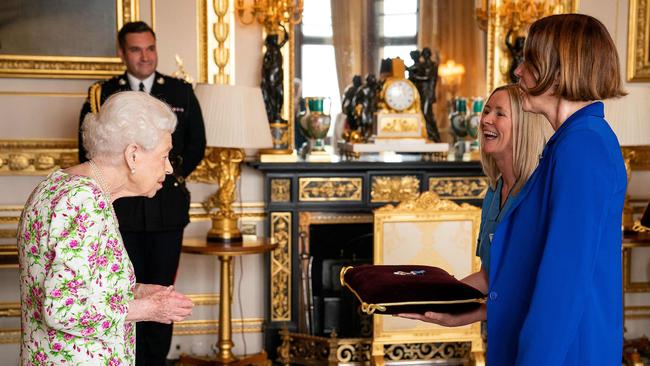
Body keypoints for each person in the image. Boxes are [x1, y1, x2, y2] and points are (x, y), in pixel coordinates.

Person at [18, 92, 194, 365]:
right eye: (164, 155)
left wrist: (136, 291)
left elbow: (81, 284)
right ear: (133, 155)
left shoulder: (60, 185)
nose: (169, 168)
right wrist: (150, 309)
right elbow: (63, 310)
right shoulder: (83, 201)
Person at [490, 14, 626, 365]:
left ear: (560, 72)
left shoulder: (582, 147)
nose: (518, 72)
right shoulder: (572, 142)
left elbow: (564, 283)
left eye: (529, 62)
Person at [78, 21, 206, 366]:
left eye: (150, 48)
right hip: (124, 212)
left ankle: (156, 361)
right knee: (121, 290)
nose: (145, 56)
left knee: (161, 291)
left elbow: (196, 145)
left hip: (166, 211)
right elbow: (88, 152)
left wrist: (164, 175)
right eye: (136, 49)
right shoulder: (102, 94)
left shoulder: (180, 91)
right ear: (123, 53)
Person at [398, 84, 547, 327]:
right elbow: (489, 276)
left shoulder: (536, 194)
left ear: (524, 126)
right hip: (501, 328)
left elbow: (531, 284)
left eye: (499, 114)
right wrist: (429, 297)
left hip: (533, 327)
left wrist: (467, 315)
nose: (486, 119)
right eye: (486, 111)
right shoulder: (494, 191)